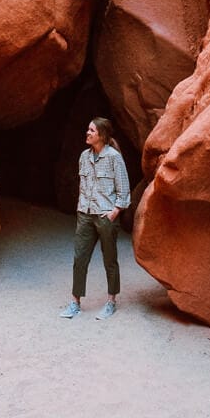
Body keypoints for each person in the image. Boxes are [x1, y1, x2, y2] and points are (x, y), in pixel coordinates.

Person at [60, 117, 130, 320]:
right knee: (79, 259)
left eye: (91, 130)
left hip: (105, 216)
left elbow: (123, 188)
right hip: (85, 214)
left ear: (102, 135)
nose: (87, 133)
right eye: (87, 129)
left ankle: (111, 302)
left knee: (110, 260)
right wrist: (81, 208)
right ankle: (75, 302)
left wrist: (115, 212)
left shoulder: (114, 157)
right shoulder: (84, 156)